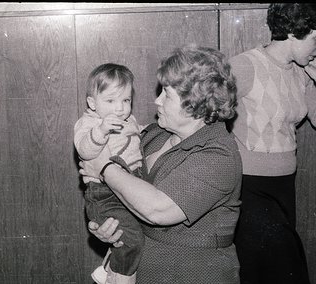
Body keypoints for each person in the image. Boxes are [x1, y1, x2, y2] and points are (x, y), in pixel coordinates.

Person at [79, 45, 242, 283]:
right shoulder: (156, 134)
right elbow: (128, 197)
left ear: (194, 103)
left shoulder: (219, 155)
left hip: (192, 274)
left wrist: (104, 168)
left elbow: (157, 210)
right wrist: (111, 229)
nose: (157, 100)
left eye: (166, 94)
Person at [228, 3, 316, 284]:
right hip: (248, 185)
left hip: (284, 185)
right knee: (283, 266)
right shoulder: (245, 65)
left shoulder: (303, 71)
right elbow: (204, 112)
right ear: (292, 31)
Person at [74, 63, 145, 284]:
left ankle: (108, 268)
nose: (120, 108)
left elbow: (136, 133)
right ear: (92, 103)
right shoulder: (89, 123)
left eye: (126, 100)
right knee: (131, 239)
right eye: (111, 101)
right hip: (104, 194)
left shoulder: (127, 119)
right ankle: (119, 277)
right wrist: (102, 130)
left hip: (132, 183)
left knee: (132, 234)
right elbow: (84, 149)